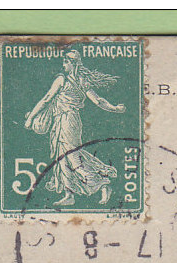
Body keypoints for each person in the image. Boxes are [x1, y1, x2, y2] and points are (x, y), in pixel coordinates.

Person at [23, 48, 126, 206]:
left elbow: (46, 99)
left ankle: (102, 184)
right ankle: (69, 194)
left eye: (66, 61)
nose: (63, 64)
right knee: (61, 157)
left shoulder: (62, 80)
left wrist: (30, 118)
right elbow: (98, 101)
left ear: (73, 64)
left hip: (67, 121)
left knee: (72, 158)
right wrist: (115, 108)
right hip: (65, 121)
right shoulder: (82, 81)